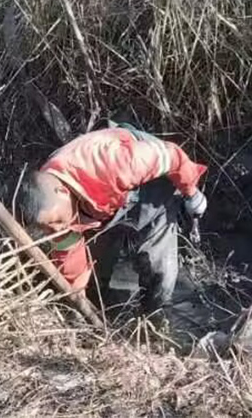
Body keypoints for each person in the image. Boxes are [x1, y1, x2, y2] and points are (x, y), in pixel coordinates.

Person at [16, 123, 207, 315]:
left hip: (151, 185)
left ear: (63, 191)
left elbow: (172, 155)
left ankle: (154, 317)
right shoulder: (51, 207)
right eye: (49, 228)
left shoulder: (115, 163)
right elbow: (71, 258)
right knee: (97, 274)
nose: (57, 229)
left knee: (160, 272)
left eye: (57, 222)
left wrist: (191, 193)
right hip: (102, 204)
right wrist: (78, 298)